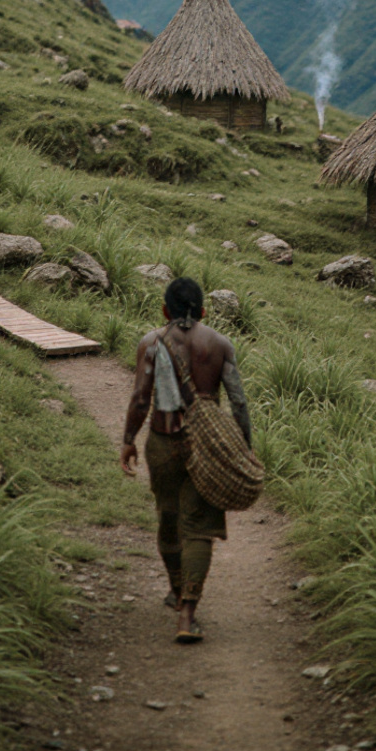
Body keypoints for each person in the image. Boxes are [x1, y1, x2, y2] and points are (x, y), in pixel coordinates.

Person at [120, 276, 253, 644]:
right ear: (204, 311)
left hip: (162, 443)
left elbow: (140, 399)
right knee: (199, 529)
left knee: (168, 517)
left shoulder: (150, 343)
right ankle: (187, 614)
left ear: (165, 311)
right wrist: (244, 446)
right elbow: (239, 402)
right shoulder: (220, 344)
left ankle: (176, 589)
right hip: (205, 448)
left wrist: (128, 440)